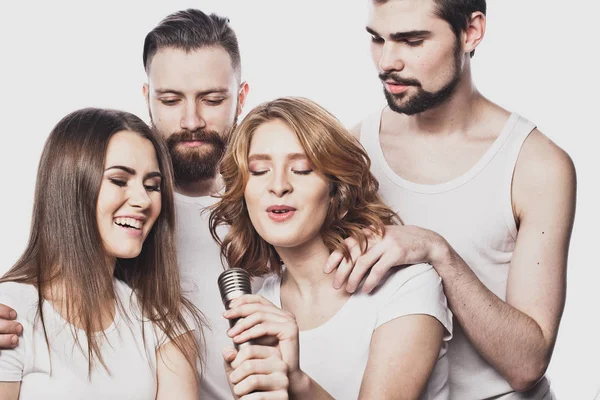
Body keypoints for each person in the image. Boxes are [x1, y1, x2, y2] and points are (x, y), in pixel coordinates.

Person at [321, 0, 576, 398]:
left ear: (471, 31)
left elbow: (527, 364)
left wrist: (436, 251)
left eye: (412, 41)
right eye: (377, 39)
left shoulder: (535, 165)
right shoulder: (352, 152)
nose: (387, 61)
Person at [210, 96, 453, 399]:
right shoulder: (259, 314)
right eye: (259, 171)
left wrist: (297, 383)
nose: (278, 186)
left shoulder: (405, 286)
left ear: (335, 188)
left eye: (300, 168)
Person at [0, 108, 202, 399]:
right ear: (71, 186)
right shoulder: (11, 313)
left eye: (152, 186)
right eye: (119, 181)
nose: (143, 200)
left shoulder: (163, 319)